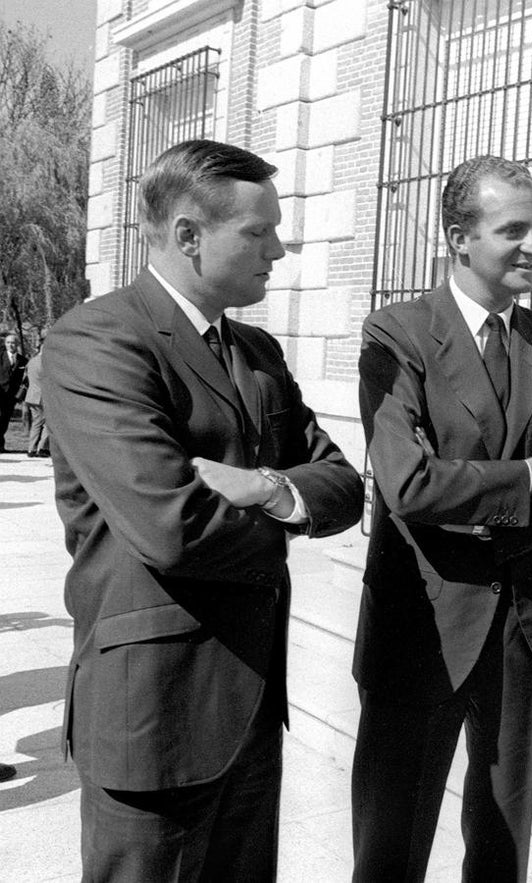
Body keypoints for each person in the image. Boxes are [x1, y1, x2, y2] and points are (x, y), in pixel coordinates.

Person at [41, 139, 364, 879]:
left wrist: (268, 488)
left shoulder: (257, 351)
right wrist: (288, 514)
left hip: (250, 711)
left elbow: (343, 484)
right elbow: (173, 527)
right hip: (153, 720)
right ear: (188, 235)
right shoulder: (96, 339)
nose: (279, 249)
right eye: (259, 232)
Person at [352, 155, 532, 882]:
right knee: (390, 844)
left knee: (502, 844)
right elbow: (407, 481)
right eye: (513, 229)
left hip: (522, 626)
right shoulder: (396, 334)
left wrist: (470, 509)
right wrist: (526, 476)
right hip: (421, 623)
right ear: (459, 237)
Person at [22, 333, 50, 457]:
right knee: (48, 423)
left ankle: (31, 448)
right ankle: (42, 448)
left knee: (36, 423)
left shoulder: (31, 362)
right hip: (43, 397)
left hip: (32, 396)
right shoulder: (47, 362)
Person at [0, 332, 28, 452]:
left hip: (12, 396)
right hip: (0, 393)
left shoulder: (23, 360)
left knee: (5, 420)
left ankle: (0, 445)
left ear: (17, 344)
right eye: (8, 342)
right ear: (5, 344)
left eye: (13, 343)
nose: (10, 345)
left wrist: (20, 394)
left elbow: (26, 379)